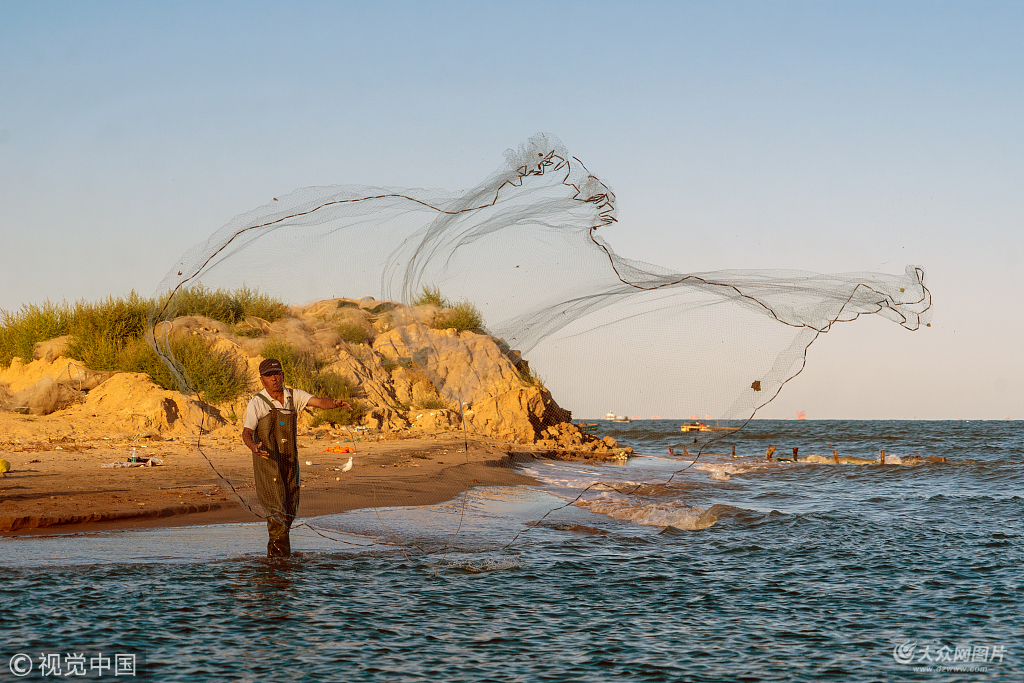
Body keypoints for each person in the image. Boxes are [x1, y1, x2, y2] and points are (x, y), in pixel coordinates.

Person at [241, 358, 351, 557]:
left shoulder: (294, 396)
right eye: (269, 376)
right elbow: (246, 432)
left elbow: (318, 402)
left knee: (289, 509)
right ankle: (279, 561)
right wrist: (254, 447)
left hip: (290, 462)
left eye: (277, 374)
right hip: (268, 463)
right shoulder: (257, 402)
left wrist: (335, 403)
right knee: (277, 512)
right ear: (262, 380)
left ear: (282, 375)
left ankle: (279, 561)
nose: (274, 379)